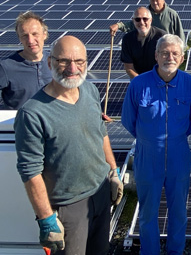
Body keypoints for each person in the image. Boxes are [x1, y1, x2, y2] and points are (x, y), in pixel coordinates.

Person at [14, 36, 123, 255]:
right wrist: (46, 218)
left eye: (79, 61)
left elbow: (101, 132)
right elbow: (30, 171)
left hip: (100, 194)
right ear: (49, 62)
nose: (72, 68)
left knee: (100, 250)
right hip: (67, 207)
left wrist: (113, 171)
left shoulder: (90, 91)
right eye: (64, 61)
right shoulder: (33, 113)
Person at [121, 34, 191, 255]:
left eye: (175, 53)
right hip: (147, 156)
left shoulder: (190, 84)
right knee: (148, 212)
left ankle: (175, 251)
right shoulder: (139, 84)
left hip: (179, 155)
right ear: (156, 55)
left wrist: (175, 137)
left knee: (178, 212)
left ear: (182, 57)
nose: (170, 57)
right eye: (165, 52)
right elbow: (128, 120)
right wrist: (150, 138)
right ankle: (150, 251)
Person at [109, 0, 185, 43]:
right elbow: (133, 24)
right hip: (148, 48)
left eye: (157, 0)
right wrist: (118, 25)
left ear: (163, 0)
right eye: (152, 0)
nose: (155, 3)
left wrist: (181, 51)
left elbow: (179, 34)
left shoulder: (172, 14)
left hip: (166, 49)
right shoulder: (145, 13)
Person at [120, 6, 166, 78]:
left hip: (159, 78)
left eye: (145, 19)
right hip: (137, 78)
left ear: (150, 20)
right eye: (137, 19)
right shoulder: (127, 39)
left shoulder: (162, 36)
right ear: (133, 21)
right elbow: (129, 67)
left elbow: (166, 62)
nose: (141, 22)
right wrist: (141, 81)